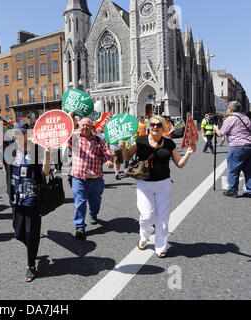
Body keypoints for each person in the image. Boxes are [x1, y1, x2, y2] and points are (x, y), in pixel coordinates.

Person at [0, 97, 51, 282]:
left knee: (31, 232)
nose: (20, 137)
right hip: (16, 198)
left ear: (28, 135)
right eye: (17, 134)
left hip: (33, 199)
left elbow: (44, 173)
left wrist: (48, 155)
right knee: (19, 232)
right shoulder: (9, 150)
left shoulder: (36, 150)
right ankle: (30, 248)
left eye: (23, 133)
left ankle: (31, 264)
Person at [119, 115, 197, 258]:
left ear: (164, 128)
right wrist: (123, 148)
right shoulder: (141, 140)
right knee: (146, 216)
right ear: (149, 126)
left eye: (158, 125)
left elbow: (179, 164)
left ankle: (161, 247)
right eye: (153, 124)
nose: (155, 127)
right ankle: (144, 236)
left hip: (164, 184)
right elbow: (127, 157)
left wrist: (188, 153)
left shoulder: (169, 143)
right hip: (144, 184)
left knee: (163, 217)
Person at [68, 118, 114, 240]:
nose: (85, 127)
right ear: (79, 126)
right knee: (80, 203)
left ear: (92, 127)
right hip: (79, 177)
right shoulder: (74, 137)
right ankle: (80, 227)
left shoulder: (99, 140)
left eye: (88, 125)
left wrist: (109, 159)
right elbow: (64, 135)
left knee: (96, 201)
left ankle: (93, 214)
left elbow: (106, 152)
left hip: (96, 177)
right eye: (83, 125)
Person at [213, 101, 251, 198]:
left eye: (227, 107)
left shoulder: (230, 118)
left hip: (237, 147)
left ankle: (233, 190)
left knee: (234, 169)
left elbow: (221, 133)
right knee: (248, 170)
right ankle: (250, 190)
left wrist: (215, 128)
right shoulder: (246, 118)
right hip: (249, 146)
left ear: (230, 109)